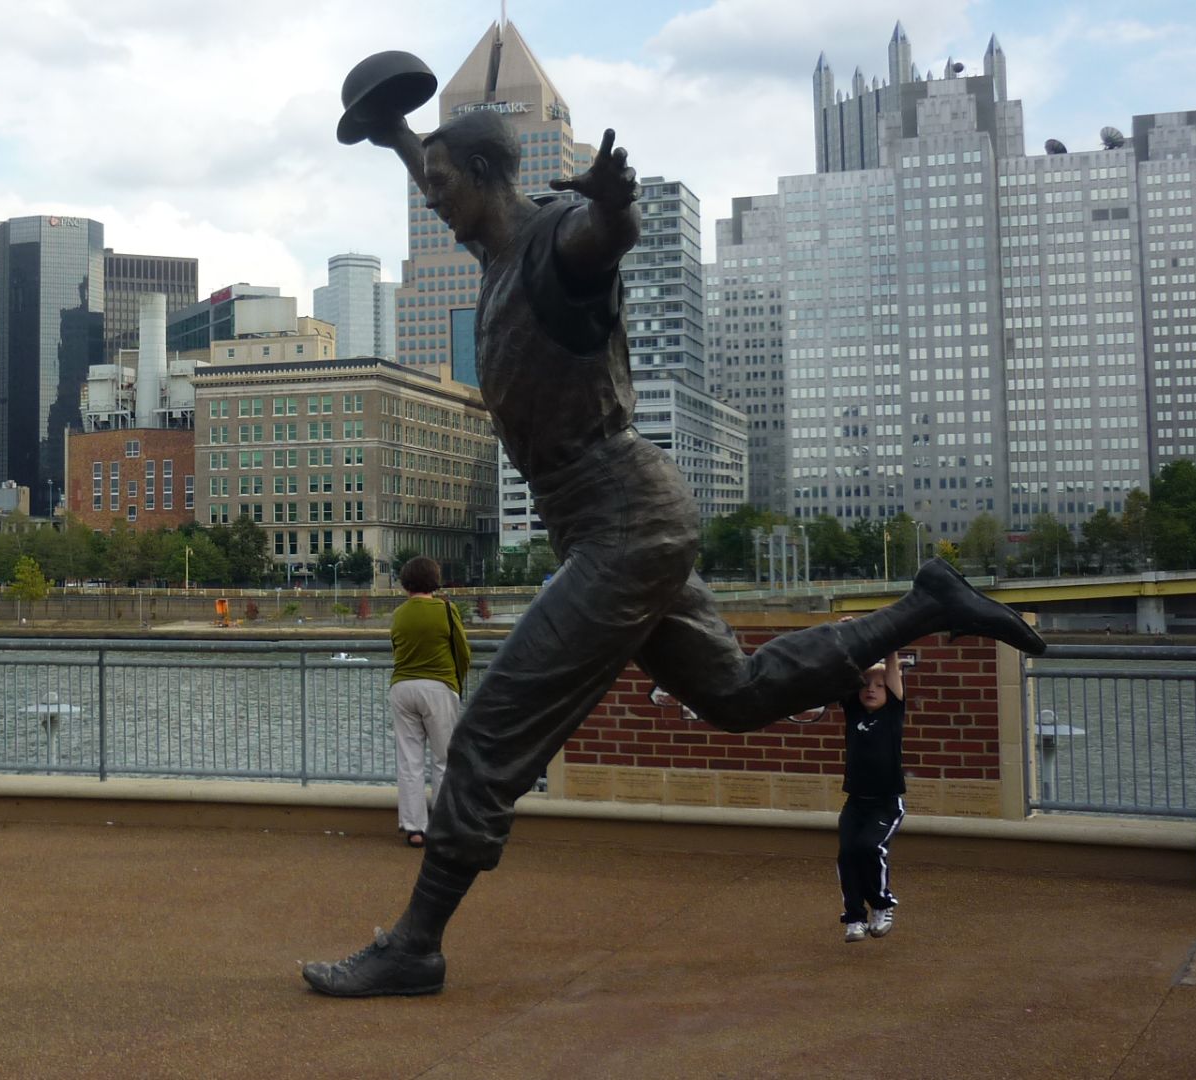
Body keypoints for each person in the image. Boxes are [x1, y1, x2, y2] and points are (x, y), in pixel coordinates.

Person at [301, 106, 1047, 998]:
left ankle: (417, 943)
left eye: (444, 184)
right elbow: (429, 161)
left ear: (489, 176)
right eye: (429, 185)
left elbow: (602, 238)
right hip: (616, 523)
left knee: (491, 729)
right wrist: (394, 132)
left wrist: (618, 210)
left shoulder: (554, 246)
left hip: (624, 520)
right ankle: (926, 603)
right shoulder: (493, 257)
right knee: (734, 693)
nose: (434, 200)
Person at [389, 556, 471, 849]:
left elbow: (396, 649)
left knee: (409, 761)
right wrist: (457, 683)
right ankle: (443, 825)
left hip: (402, 687)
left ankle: (414, 828)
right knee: (444, 759)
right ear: (434, 580)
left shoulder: (399, 614)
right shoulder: (447, 610)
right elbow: (463, 652)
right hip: (438, 687)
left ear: (406, 582)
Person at [836, 626, 907, 943]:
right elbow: (844, 672)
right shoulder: (852, 710)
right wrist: (845, 634)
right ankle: (854, 918)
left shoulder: (892, 712)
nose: (871, 689)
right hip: (855, 802)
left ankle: (881, 905)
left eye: (878, 685)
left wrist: (889, 647)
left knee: (870, 847)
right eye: (866, 684)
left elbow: (891, 673)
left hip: (886, 802)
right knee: (848, 854)